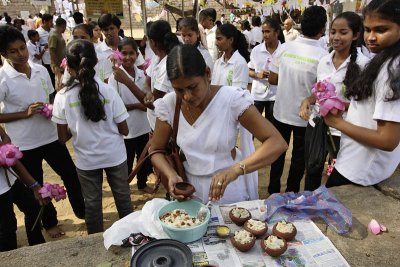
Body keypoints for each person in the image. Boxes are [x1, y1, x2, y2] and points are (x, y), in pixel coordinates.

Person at [149, 44, 287, 204]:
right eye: (179, 90)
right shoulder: (169, 105)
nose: (186, 96)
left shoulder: (232, 101)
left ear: (207, 74)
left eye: (192, 87)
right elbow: (156, 150)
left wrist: (236, 170)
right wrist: (171, 174)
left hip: (228, 190)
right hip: (189, 191)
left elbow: (277, 142)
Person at [0, 25, 85, 238]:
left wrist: (50, 109)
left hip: (50, 137)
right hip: (24, 145)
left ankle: (82, 211)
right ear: (3, 54)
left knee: (71, 174)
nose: (21, 54)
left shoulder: (40, 70)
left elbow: (50, 98)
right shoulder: (2, 79)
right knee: (37, 188)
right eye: (13, 51)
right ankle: (49, 223)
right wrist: (24, 113)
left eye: (22, 48)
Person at [52, 39, 133, 234]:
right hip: (114, 155)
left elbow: (62, 138)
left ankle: (94, 245)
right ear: (96, 62)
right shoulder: (108, 91)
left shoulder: (62, 97)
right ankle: (131, 236)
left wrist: (77, 126)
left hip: (87, 161)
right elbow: (124, 130)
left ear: (69, 67)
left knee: (92, 204)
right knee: (123, 198)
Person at [323, 0, 400, 187]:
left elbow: (387, 139)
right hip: (354, 160)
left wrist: (337, 123)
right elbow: (378, 106)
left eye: (381, 30)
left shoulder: (392, 69)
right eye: (368, 29)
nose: (371, 37)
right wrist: (348, 106)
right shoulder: (383, 59)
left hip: (359, 169)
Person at [299, 12, 370, 191]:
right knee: (313, 170)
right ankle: (310, 206)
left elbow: (365, 104)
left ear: (355, 35)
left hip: (344, 130)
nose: (336, 37)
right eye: (333, 32)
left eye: (343, 32)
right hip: (318, 125)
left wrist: (338, 105)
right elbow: (319, 90)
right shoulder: (324, 61)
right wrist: (307, 100)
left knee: (337, 176)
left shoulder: (364, 65)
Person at [268, 6, 328, 194]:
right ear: (323, 29)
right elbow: (324, 90)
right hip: (305, 117)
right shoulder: (324, 57)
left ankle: (273, 190)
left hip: (281, 112)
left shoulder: (284, 48)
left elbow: (272, 79)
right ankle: (292, 192)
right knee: (298, 159)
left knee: (277, 153)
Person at [113, 20, 180, 130]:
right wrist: (148, 92)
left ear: (152, 42)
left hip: (166, 125)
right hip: (153, 124)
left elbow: (152, 104)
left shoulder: (168, 65)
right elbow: (146, 83)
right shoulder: (156, 58)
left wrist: (127, 81)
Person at [108, 38, 153, 194]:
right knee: (126, 161)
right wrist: (139, 105)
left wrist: (136, 105)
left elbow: (149, 98)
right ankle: (124, 188)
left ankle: (142, 183)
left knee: (143, 158)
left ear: (137, 54)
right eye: (124, 53)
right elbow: (115, 104)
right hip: (126, 128)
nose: (128, 57)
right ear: (118, 54)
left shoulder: (143, 74)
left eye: (131, 53)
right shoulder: (115, 77)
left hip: (143, 125)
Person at [0, 126, 49, 252]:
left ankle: (37, 245)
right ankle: (10, 258)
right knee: (7, 227)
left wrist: (34, 185)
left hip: (10, 180)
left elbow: (5, 137)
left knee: (33, 207)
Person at [248, 18, 284, 125]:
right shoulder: (257, 50)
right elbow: (249, 71)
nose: (265, 35)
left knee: (272, 127)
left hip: (275, 95)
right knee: (253, 126)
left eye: (268, 31)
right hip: (257, 94)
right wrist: (258, 74)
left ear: (277, 32)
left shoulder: (284, 51)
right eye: (263, 32)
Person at [37, 13, 55, 87]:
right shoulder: (38, 32)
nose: (51, 23)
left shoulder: (53, 31)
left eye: (52, 21)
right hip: (45, 59)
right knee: (49, 76)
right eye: (50, 21)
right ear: (44, 21)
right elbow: (37, 46)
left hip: (54, 57)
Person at [48, 17, 66, 91]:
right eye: (65, 27)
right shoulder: (53, 35)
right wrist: (59, 65)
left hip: (62, 63)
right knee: (59, 83)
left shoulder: (59, 34)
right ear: (63, 26)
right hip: (57, 65)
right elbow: (52, 52)